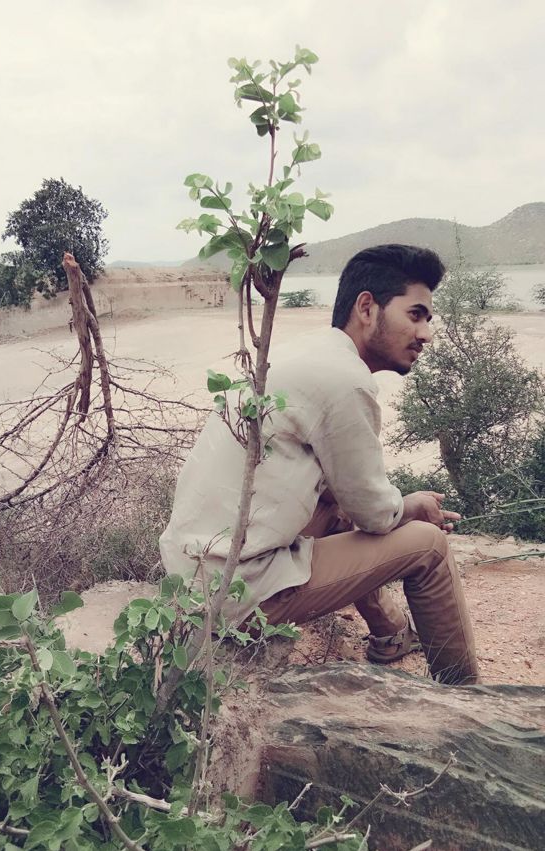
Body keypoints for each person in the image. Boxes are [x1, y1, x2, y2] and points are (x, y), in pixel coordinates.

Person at [160, 244, 480, 686]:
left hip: (193, 574)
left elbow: (349, 495)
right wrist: (413, 506)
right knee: (428, 546)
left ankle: (390, 634)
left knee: (336, 506)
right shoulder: (345, 381)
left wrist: (377, 505)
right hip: (236, 591)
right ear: (366, 308)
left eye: (428, 319)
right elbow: (376, 512)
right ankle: (466, 696)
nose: (426, 334)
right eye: (415, 315)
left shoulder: (311, 352)